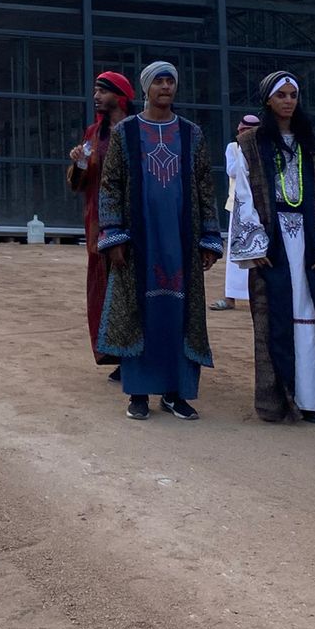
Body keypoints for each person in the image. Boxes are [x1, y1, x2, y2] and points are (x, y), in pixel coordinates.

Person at [227, 72, 315, 425]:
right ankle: (279, 399)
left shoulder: (314, 143)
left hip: (311, 242)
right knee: (275, 320)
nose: (288, 101)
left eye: (293, 95)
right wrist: (255, 242)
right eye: (281, 95)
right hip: (274, 243)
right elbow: (244, 197)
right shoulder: (250, 144)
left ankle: (314, 401)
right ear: (268, 100)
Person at [96, 61, 220, 421]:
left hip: (181, 237)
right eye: (159, 81)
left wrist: (209, 237)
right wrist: (114, 234)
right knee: (139, 310)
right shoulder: (126, 133)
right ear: (147, 88)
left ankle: (174, 391)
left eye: (171, 81)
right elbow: (111, 183)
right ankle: (137, 393)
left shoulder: (191, 133)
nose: (166, 87)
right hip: (139, 238)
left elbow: (203, 185)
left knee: (179, 312)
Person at [69, 70, 134, 380]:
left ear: (119, 95)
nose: (96, 96)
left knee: (133, 285)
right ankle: (115, 352)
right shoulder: (93, 132)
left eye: (102, 90)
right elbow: (80, 182)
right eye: (95, 90)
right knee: (103, 286)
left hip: (134, 219)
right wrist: (79, 161)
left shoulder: (138, 129)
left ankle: (137, 353)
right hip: (98, 225)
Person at [211, 113, 259, 311]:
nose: (244, 133)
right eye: (243, 131)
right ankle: (230, 297)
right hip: (237, 206)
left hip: (259, 207)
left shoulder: (265, 149)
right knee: (235, 254)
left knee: (260, 252)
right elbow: (232, 171)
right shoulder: (233, 148)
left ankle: (260, 298)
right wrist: (246, 152)